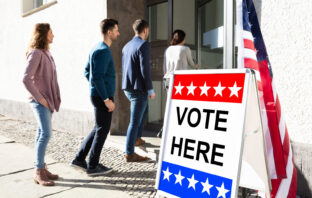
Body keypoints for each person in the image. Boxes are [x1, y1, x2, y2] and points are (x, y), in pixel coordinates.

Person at [71, 18, 120, 176]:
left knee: (98, 128)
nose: (118, 33)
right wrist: (106, 99)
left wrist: (95, 86)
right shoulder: (103, 50)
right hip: (102, 97)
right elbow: (96, 77)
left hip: (98, 95)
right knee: (103, 130)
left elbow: (87, 71)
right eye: (116, 30)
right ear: (109, 32)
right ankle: (92, 166)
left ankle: (79, 159)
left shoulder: (96, 48)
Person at [23, 23, 61, 186]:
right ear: (44, 35)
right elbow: (26, 79)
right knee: (46, 134)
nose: (53, 35)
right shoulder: (36, 53)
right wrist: (41, 99)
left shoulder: (46, 53)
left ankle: (42, 167)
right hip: (40, 101)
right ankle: (38, 172)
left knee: (41, 134)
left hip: (47, 100)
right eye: (51, 33)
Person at [122, 19, 155, 162]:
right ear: (145, 30)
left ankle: (137, 138)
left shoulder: (126, 46)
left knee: (144, 109)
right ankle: (129, 153)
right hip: (138, 89)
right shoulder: (144, 45)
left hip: (128, 87)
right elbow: (145, 70)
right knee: (134, 121)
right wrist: (150, 90)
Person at [158, 29, 198, 137]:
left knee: (170, 105)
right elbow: (191, 63)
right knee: (182, 106)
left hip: (167, 79)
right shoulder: (185, 49)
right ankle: (180, 131)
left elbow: (164, 67)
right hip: (180, 80)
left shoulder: (168, 50)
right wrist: (196, 65)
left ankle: (165, 129)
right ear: (183, 38)